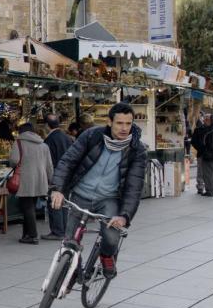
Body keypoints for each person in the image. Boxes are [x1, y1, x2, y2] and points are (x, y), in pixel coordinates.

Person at [50, 102, 147, 278]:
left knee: (111, 238)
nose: (124, 128)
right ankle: (73, 273)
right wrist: (57, 189)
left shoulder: (137, 150)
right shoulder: (92, 136)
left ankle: (107, 256)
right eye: (119, 123)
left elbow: (134, 187)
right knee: (69, 242)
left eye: (128, 123)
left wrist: (124, 216)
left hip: (108, 199)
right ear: (109, 122)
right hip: (80, 194)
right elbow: (68, 161)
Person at [9, 122, 53, 244]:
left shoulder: (18, 143)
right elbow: (49, 166)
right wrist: (51, 181)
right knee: (30, 206)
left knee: (27, 207)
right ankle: (26, 234)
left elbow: (14, 160)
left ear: (21, 131)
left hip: (26, 179)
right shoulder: (43, 145)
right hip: (40, 180)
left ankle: (33, 236)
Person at [42, 114, 74, 240]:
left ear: (46, 125)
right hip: (67, 175)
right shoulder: (67, 137)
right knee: (63, 202)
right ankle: (64, 229)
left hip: (56, 175)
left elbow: (48, 162)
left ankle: (57, 231)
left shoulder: (49, 140)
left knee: (54, 202)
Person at [192, 113, 211, 195]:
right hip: (201, 153)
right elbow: (193, 141)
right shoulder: (198, 129)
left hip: (210, 154)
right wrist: (200, 148)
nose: (207, 120)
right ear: (203, 120)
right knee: (200, 171)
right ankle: (200, 187)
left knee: (210, 171)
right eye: (206, 118)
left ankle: (210, 187)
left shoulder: (212, 129)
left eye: (208, 118)